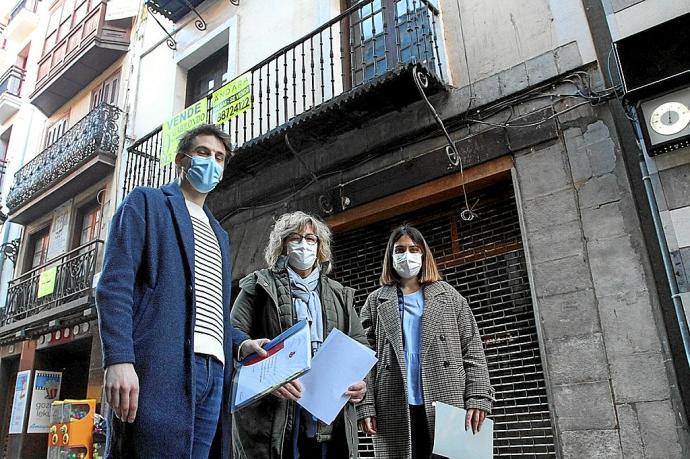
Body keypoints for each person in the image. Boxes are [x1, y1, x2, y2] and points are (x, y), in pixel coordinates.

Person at [96, 124, 268, 458]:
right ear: (181, 159)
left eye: (219, 157)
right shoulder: (147, 203)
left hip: (214, 374)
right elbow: (114, 285)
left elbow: (211, 310)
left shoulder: (220, 233)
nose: (211, 162)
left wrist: (240, 342)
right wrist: (118, 359)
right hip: (161, 365)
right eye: (203, 152)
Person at [230, 211, 368, 459]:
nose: (304, 245)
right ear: (282, 245)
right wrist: (267, 376)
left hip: (328, 416)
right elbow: (232, 336)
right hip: (274, 417)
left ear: (320, 247)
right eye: (295, 238)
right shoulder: (259, 284)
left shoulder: (339, 294)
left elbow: (358, 345)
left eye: (311, 239)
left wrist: (360, 384)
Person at [357, 225, 494, 458]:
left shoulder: (449, 296)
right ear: (390, 256)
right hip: (393, 401)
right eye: (399, 250)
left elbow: (472, 348)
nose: (407, 255)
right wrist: (366, 405)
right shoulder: (375, 301)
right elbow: (362, 357)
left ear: (423, 254)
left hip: (447, 399)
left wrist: (479, 397)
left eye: (413, 249)